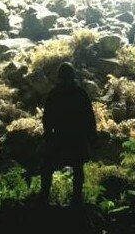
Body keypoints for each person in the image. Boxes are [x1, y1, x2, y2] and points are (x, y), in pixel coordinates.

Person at [39, 62, 97, 205]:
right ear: (73, 76)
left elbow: (47, 118)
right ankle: (77, 199)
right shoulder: (80, 94)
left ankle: (44, 196)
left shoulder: (54, 94)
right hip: (78, 138)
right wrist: (91, 139)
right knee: (78, 168)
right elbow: (89, 119)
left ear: (59, 77)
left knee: (46, 166)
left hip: (59, 137)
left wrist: (48, 135)